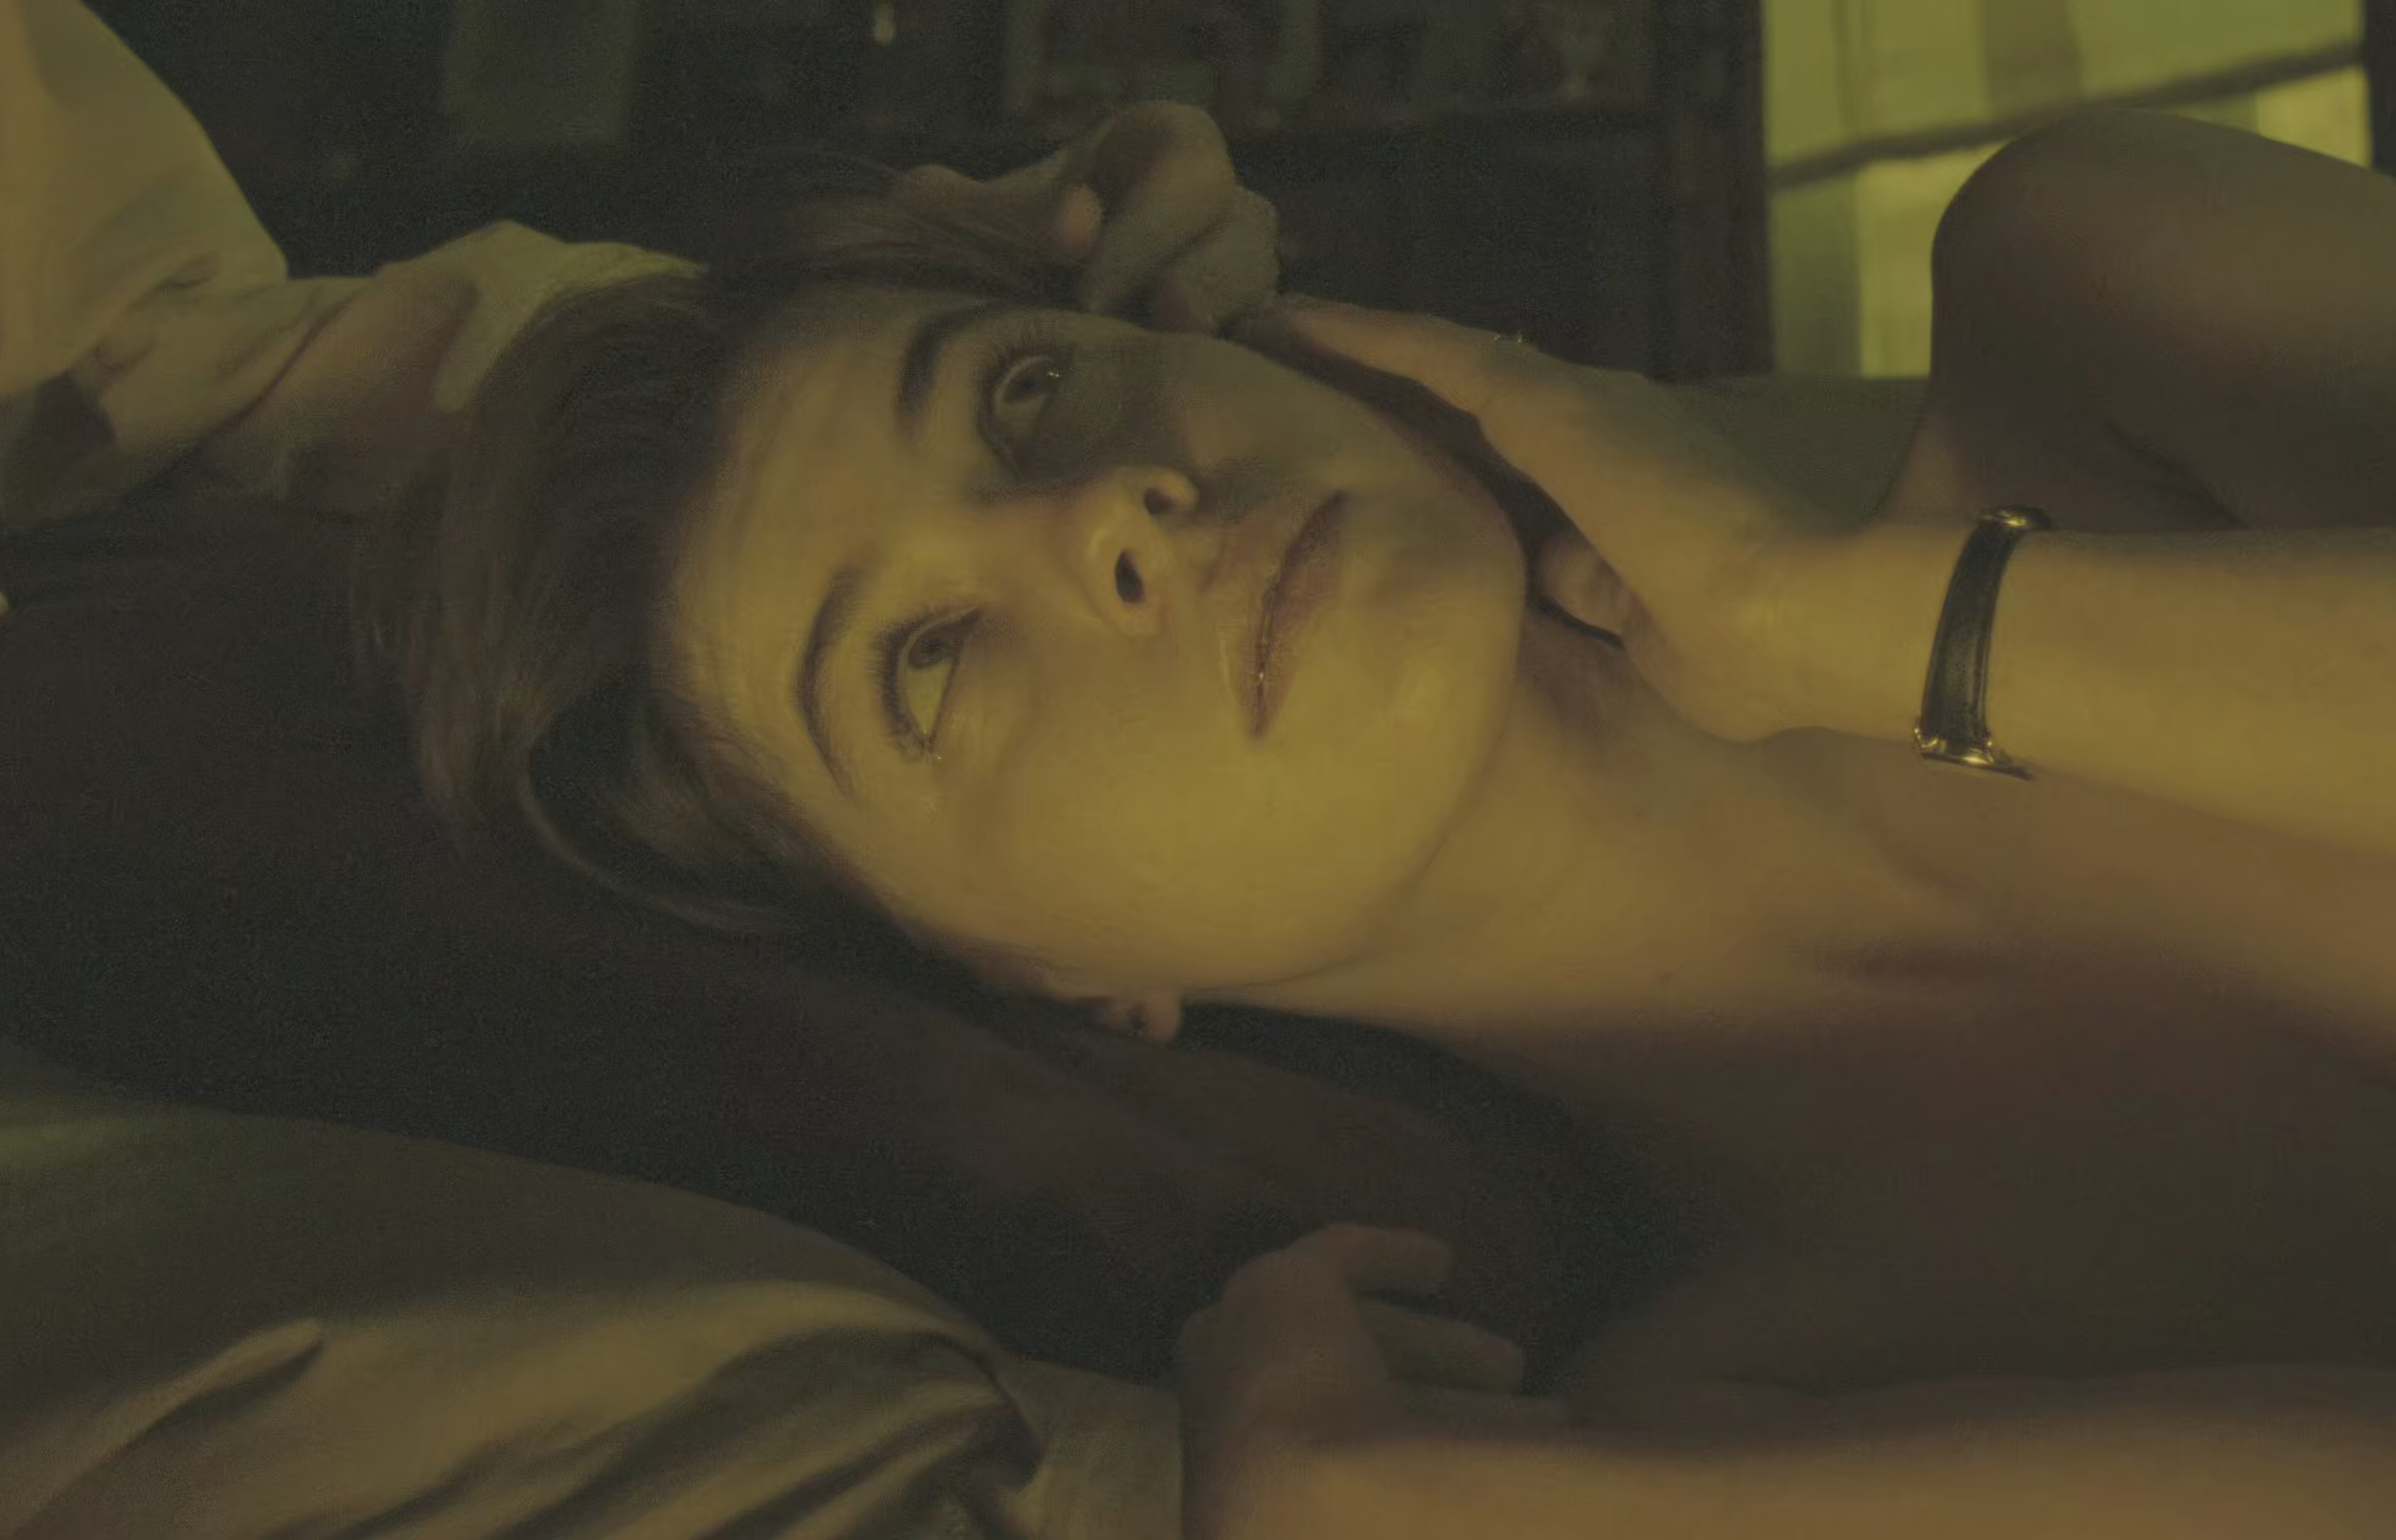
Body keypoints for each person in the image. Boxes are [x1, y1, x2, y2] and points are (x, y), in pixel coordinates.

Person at [355, 101, 2396, 1534]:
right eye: (931, 663)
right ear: (1047, 978)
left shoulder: (2100, 291)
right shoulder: (1733, 1423)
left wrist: (1860, 624)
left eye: (1022, 394)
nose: (1102, 514)